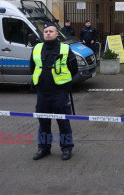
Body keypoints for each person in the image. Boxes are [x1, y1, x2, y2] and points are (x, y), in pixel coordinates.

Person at [29, 22, 78, 161]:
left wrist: (64, 84)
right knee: (43, 122)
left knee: (63, 122)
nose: (48, 33)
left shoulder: (65, 48)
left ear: (57, 34)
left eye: (51, 31)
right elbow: (32, 68)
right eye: (46, 32)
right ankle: (44, 148)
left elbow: (74, 69)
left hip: (60, 93)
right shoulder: (37, 48)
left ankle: (67, 148)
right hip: (43, 93)